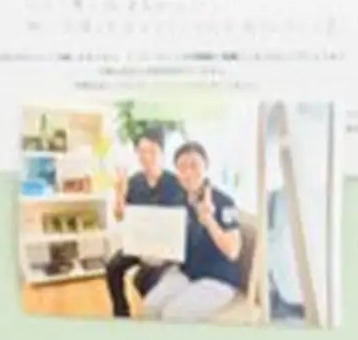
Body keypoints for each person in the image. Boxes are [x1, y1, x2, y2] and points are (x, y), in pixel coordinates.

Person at [143, 137, 252, 322]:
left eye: (194, 166)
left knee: (172, 315)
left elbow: (233, 251)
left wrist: (209, 220)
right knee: (150, 306)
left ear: (206, 167)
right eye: (182, 167)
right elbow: (174, 245)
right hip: (188, 273)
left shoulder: (225, 203)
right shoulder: (178, 201)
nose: (188, 173)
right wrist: (155, 254)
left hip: (218, 279)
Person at [103, 126, 188, 316]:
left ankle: (152, 314)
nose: (146, 156)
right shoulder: (134, 181)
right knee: (112, 267)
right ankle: (121, 313)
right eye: (141, 151)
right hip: (139, 242)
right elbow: (119, 216)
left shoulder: (175, 183)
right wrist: (119, 191)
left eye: (151, 151)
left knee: (146, 279)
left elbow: (180, 224)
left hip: (165, 249)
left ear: (162, 152)